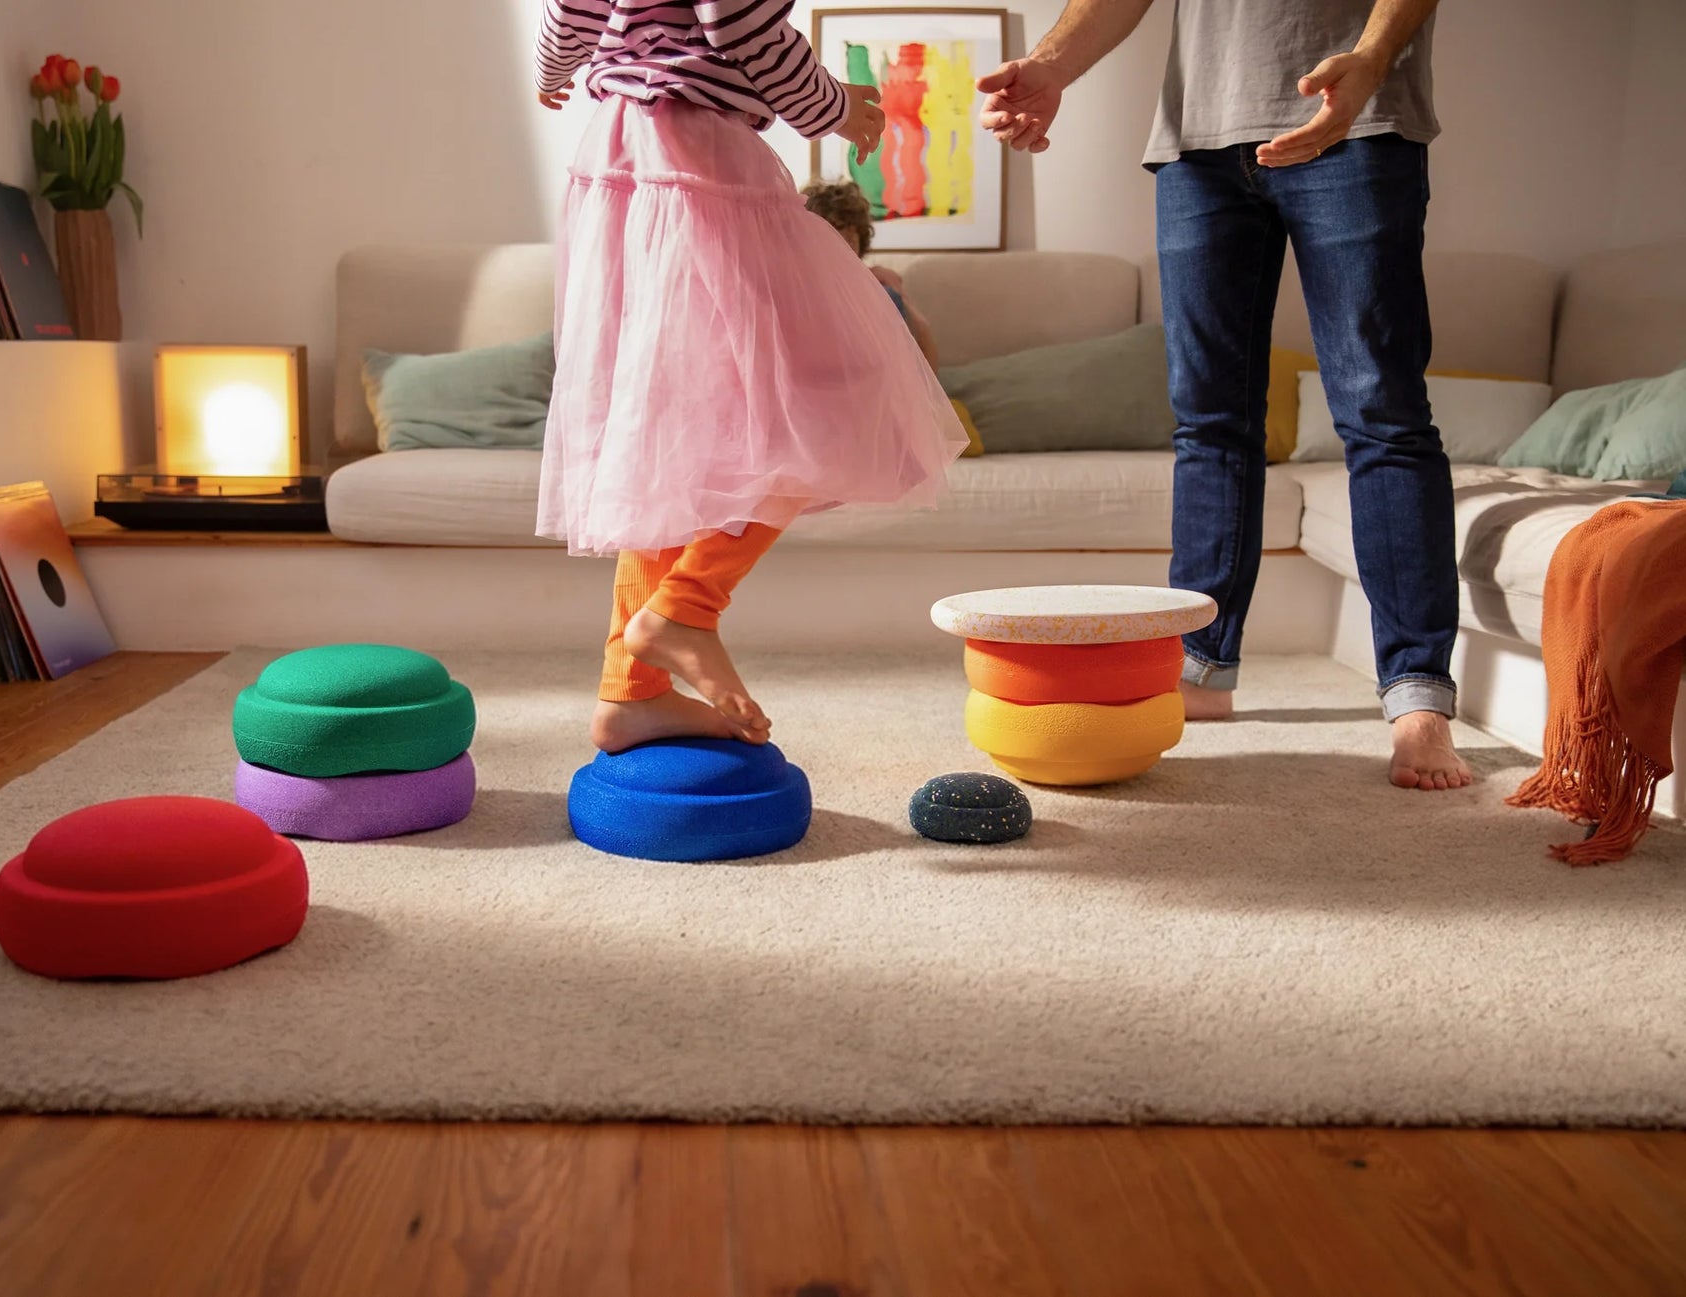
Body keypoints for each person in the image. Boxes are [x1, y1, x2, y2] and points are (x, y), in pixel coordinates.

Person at [977, 0, 1474, 791]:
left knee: (1383, 416)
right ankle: (1201, 669)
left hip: (1356, 124)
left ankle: (1418, 699)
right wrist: (1051, 66)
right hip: (1196, 140)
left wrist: (1374, 57)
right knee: (1208, 422)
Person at [535, 1, 970, 755]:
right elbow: (740, 25)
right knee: (835, 398)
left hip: (617, 160)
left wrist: (554, 69)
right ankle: (686, 608)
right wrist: (835, 109)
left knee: (667, 436)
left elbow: (570, 10)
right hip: (698, 156)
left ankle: (629, 693)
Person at [801, 179, 940, 368]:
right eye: (836, 232)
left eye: (852, 234)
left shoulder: (882, 289)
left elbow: (925, 368)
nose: (847, 242)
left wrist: (891, 292)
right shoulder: (798, 293)